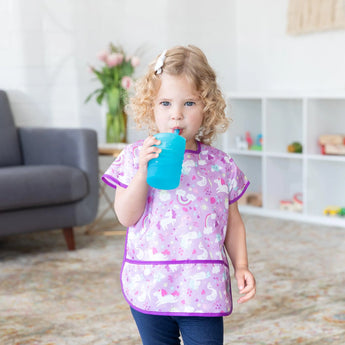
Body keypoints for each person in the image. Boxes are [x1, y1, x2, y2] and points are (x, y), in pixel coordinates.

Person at [102, 45, 256, 345]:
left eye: (189, 103)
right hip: (150, 284)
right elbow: (126, 216)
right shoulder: (135, 157)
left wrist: (242, 266)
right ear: (150, 106)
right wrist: (143, 171)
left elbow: (233, 222)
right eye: (165, 104)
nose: (176, 115)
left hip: (202, 289)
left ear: (207, 107)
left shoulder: (220, 165)